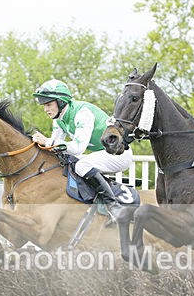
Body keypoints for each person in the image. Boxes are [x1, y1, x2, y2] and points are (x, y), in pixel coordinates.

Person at [31, 79, 132, 222]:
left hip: (119, 154)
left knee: (81, 165)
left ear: (60, 102)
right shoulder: (59, 119)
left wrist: (47, 141)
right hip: (101, 154)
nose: (45, 109)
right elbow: (54, 149)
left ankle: (113, 206)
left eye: (48, 104)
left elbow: (78, 149)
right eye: (44, 105)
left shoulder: (82, 113)